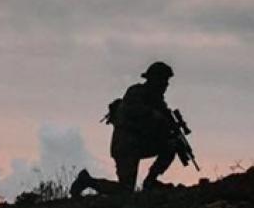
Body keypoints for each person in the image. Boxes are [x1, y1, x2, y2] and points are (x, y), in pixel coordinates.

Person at [72, 61, 178, 196]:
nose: (166, 85)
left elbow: (157, 127)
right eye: (163, 80)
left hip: (139, 143)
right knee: (125, 191)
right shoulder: (136, 92)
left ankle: (150, 182)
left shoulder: (158, 101)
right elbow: (133, 111)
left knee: (171, 145)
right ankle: (87, 181)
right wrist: (153, 115)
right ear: (155, 80)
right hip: (125, 146)